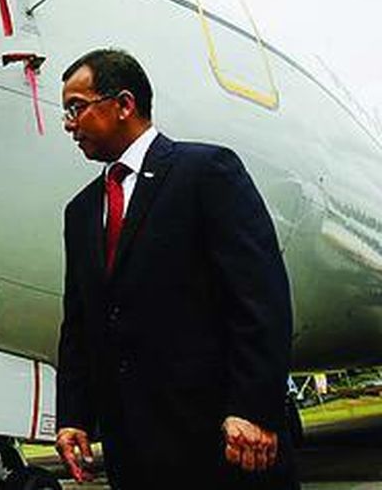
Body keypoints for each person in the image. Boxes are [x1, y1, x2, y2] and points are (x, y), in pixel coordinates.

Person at [54, 49, 296, 489]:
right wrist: (74, 415)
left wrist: (254, 409)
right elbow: (81, 323)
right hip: (133, 450)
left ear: (124, 104)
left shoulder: (206, 173)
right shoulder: (82, 211)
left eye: (77, 107)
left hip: (221, 440)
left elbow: (260, 299)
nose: (69, 123)